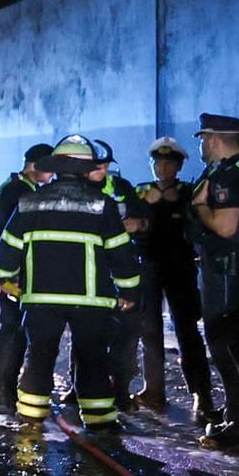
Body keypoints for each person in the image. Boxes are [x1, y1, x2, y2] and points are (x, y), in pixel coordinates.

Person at [0, 137, 141, 431]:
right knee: (92, 360)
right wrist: (129, 291)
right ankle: (101, 425)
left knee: (39, 358)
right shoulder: (103, 205)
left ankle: (31, 421)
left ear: (56, 168)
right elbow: (122, 253)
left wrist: (6, 278)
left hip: (41, 301)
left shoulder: (29, 202)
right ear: (86, 170)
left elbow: (9, 247)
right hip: (91, 303)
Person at [189, 113, 239, 453]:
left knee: (231, 348)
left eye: (203, 139)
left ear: (215, 139)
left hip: (230, 275)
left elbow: (225, 227)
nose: (202, 146)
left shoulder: (230, 177)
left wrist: (199, 205)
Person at [131, 137, 215, 421]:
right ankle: (152, 388)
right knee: (149, 329)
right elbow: (128, 224)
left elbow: (200, 226)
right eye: (158, 162)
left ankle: (201, 394)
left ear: (178, 166)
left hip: (180, 268)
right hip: (148, 268)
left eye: (169, 163)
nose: (163, 168)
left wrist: (179, 203)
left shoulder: (190, 193)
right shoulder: (140, 193)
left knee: (187, 331)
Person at [0, 142, 54, 410]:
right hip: (17, 276)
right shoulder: (16, 192)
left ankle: (4, 389)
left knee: (16, 332)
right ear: (36, 166)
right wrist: (10, 275)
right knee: (12, 332)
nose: (52, 176)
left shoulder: (21, 189)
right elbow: (10, 237)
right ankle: (2, 391)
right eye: (50, 170)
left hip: (21, 273)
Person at [94, 141, 152, 411]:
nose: (103, 171)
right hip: (92, 273)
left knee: (126, 335)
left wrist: (139, 224)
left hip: (121, 270)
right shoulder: (77, 190)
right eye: (98, 166)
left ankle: (120, 390)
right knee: (89, 333)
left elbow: (146, 220)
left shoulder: (121, 188)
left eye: (106, 166)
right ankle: (81, 387)